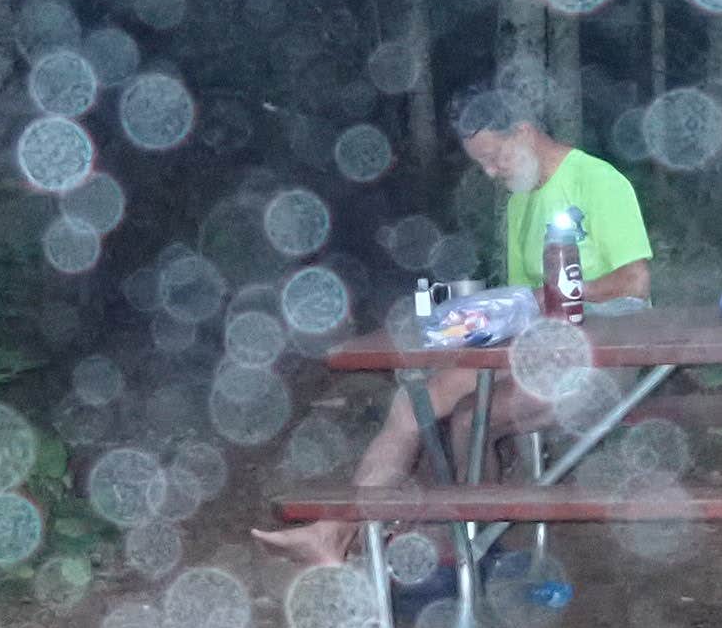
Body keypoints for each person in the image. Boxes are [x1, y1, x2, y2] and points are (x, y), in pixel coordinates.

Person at [252, 88, 653, 567]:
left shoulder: (596, 180)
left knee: (469, 417)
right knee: (411, 402)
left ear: (524, 132)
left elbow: (635, 281)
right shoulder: (522, 202)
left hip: (601, 362)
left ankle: (466, 549)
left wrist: (561, 293)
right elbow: (522, 307)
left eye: (493, 157)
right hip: (535, 354)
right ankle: (335, 533)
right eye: (480, 164)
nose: (490, 173)